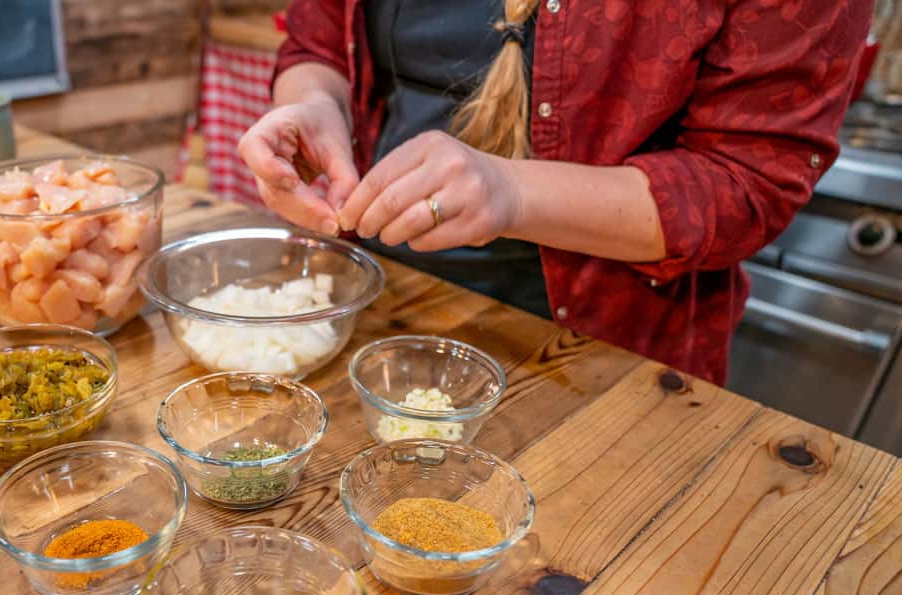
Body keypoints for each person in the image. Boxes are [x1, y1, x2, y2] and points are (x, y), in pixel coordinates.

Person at [238, 0, 873, 383]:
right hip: (374, 303)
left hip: (595, 350)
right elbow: (317, 42)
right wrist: (314, 105)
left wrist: (510, 191)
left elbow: (746, 183)